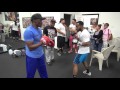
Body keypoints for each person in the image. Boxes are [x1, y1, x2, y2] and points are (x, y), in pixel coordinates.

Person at [24, 13, 48, 78]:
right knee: (30, 75)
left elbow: (39, 40)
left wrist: (45, 38)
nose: (42, 22)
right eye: (40, 20)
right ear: (35, 21)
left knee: (44, 74)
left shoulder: (39, 29)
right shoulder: (28, 31)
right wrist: (41, 42)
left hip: (40, 55)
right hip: (32, 57)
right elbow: (30, 48)